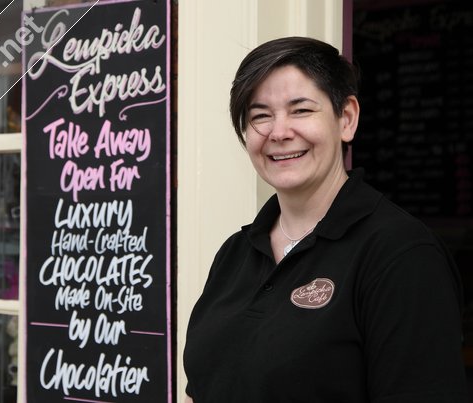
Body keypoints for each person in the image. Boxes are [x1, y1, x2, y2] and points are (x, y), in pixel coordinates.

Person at [183, 36, 468, 403]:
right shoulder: (234, 254)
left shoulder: (401, 254)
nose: (279, 132)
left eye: (301, 110)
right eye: (260, 116)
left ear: (346, 118)